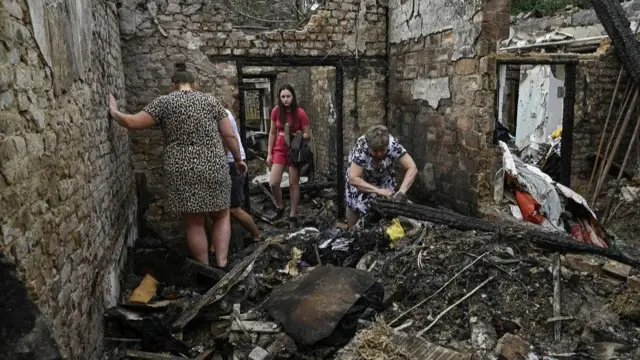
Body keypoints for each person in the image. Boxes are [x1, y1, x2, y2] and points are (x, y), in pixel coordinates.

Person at [107, 62, 247, 268]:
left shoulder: (165, 103)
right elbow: (228, 134)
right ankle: (222, 262)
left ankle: (204, 267)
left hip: (181, 168)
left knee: (194, 221)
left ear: (173, 84)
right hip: (213, 165)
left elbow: (132, 123)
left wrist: (114, 111)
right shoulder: (211, 101)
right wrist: (238, 159)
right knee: (221, 214)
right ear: (194, 83)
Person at [345, 125, 418, 228]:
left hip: (384, 175)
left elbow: (412, 168)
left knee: (388, 205)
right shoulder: (362, 147)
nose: (379, 154)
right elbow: (354, 178)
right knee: (353, 204)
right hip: (361, 177)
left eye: (382, 150)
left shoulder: (392, 144)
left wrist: (402, 191)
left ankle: (383, 231)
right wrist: (377, 190)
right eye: (375, 151)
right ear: (369, 147)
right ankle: (352, 231)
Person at [266, 84, 310, 228]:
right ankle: (280, 206)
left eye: (288, 96)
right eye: (283, 96)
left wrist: (296, 136)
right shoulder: (276, 111)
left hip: (294, 150)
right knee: (273, 182)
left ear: (293, 97)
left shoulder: (300, 113)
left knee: (293, 183)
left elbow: (307, 135)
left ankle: (293, 215)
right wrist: (269, 153)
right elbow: (272, 132)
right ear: (280, 97)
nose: (285, 99)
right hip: (279, 149)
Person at [222, 107, 262, 243]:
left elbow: (227, 139)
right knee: (216, 210)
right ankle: (215, 247)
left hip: (231, 162)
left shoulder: (222, 114)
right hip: (227, 162)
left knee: (234, 208)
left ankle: (257, 236)